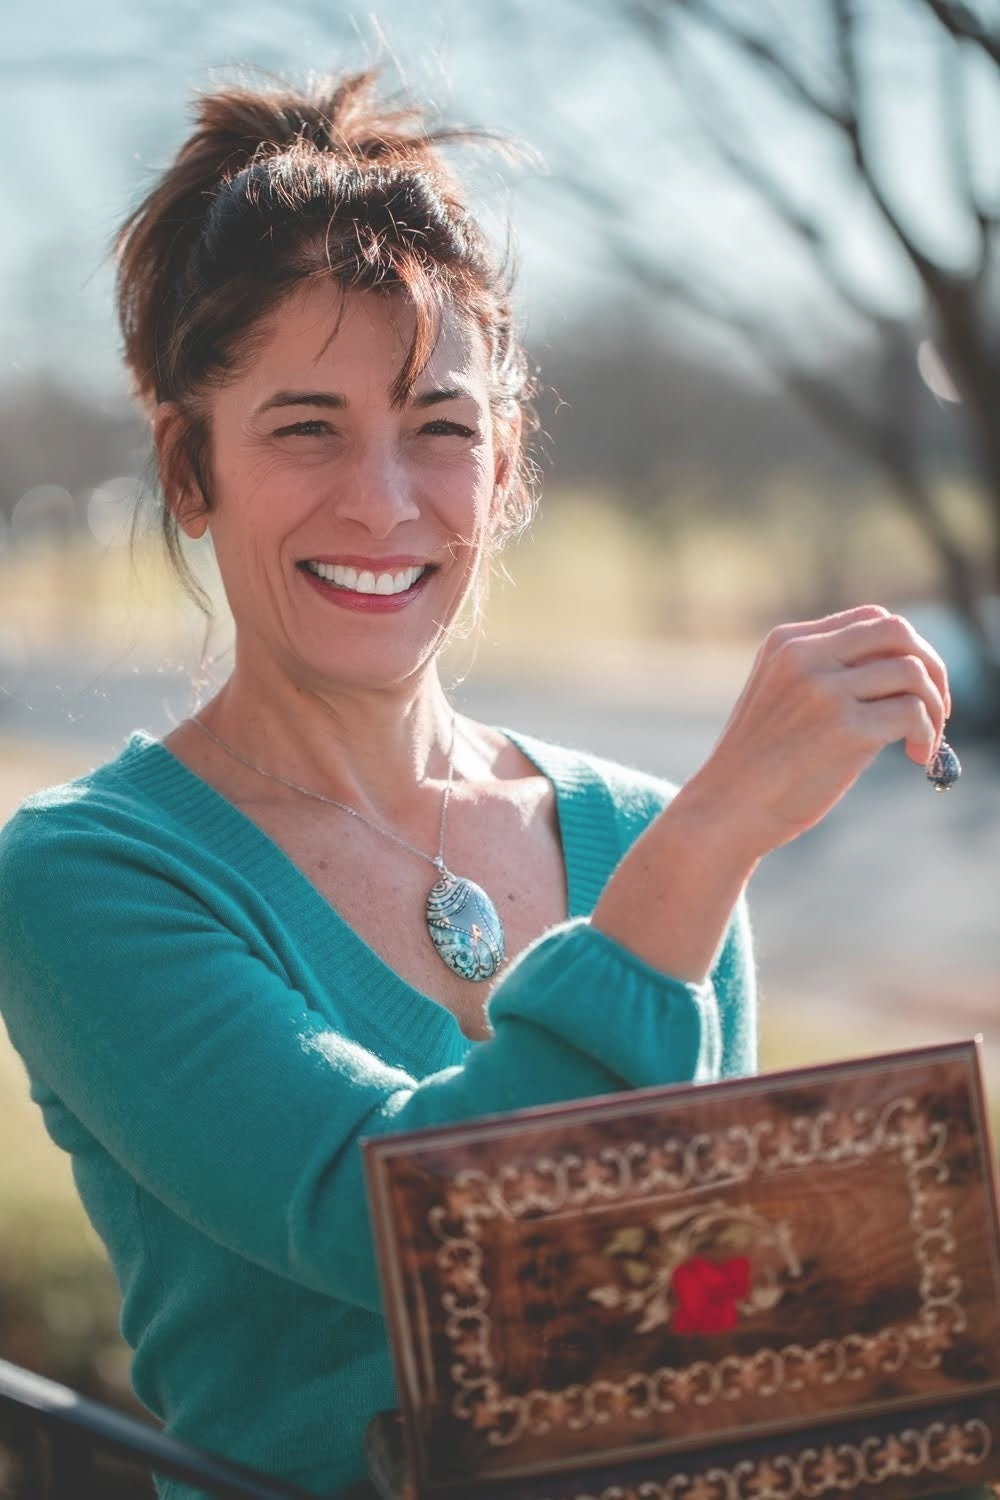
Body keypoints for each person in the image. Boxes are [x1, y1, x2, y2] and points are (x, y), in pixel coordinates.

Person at [0, 69, 961, 1500]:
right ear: (189, 470)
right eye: (305, 424)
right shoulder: (87, 878)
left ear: (504, 467)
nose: (383, 500)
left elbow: (701, 1333)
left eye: (439, 425)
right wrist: (706, 851)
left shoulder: (630, 835)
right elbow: (403, 1231)